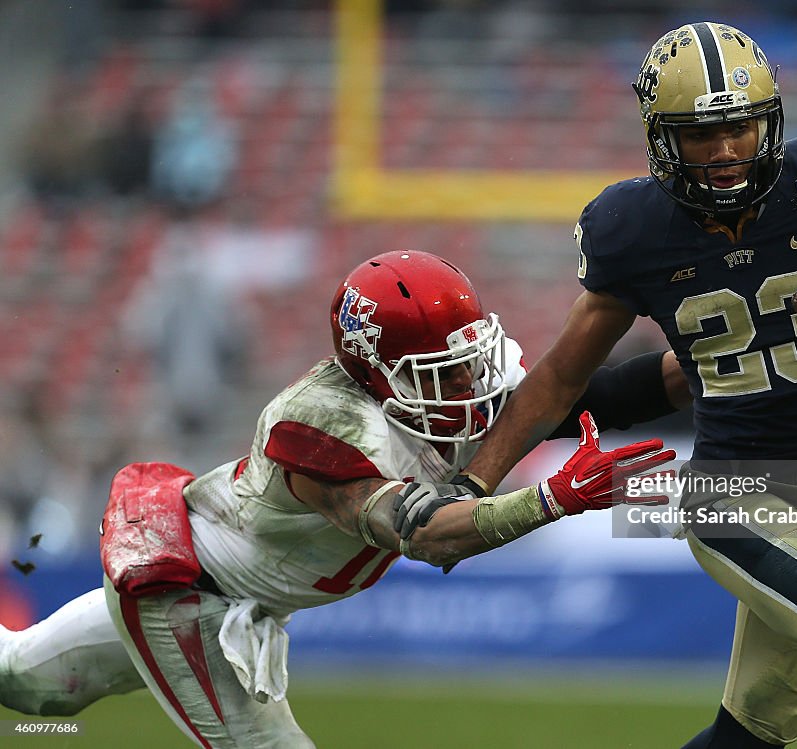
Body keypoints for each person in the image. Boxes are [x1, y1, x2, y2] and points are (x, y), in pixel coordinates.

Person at [417, 21, 797, 749]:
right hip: (732, 484)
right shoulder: (633, 227)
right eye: (700, 135)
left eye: (739, 127)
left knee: (752, 735)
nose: (725, 151)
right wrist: (472, 485)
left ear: (770, 122)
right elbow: (559, 381)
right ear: (662, 139)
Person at [0, 250, 681, 747]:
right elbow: (429, 534)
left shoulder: (428, 397)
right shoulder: (322, 426)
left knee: (21, 679)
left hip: (237, 588)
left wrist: (710, 364)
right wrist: (551, 499)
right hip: (188, 593)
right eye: (445, 370)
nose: (471, 383)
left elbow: (597, 397)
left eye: (469, 360)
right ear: (377, 370)